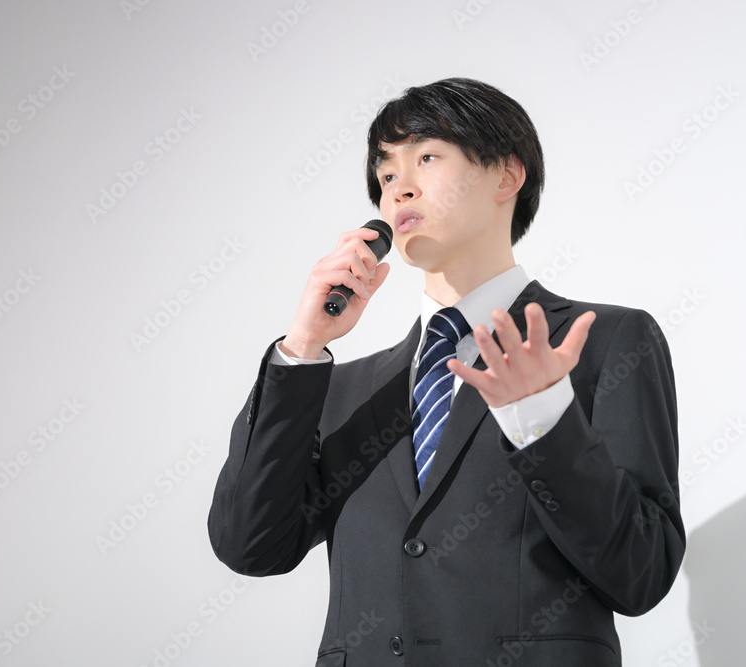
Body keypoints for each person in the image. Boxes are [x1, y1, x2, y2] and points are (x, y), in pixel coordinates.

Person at [208, 77, 684, 666]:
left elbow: (641, 572)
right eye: (386, 175)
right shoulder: (341, 390)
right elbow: (249, 547)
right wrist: (302, 348)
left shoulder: (603, 341)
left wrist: (541, 420)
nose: (399, 188)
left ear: (507, 176)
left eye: (427, 158)